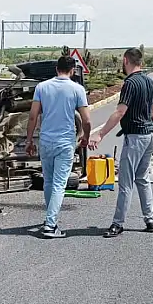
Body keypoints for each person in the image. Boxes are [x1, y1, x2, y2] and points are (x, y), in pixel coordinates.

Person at [88, 48, 153, 238]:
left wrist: (100, 134)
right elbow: (152, 108)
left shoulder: (130, 83)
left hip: (135, 137)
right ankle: (149, 219)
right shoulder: (149, 82)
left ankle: (118, 223)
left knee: (126, 183)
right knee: (143, 179)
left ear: (126, 60)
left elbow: (120, 112)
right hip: (150, 134)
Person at [24, 55, 91, 239]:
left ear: (56, 69)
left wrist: (29, 140)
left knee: (48, 181)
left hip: (45, 141)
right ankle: (50, 225)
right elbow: (86, 119)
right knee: (59, 185)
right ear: (72, 71)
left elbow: (32, 116)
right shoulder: (77, 89)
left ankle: (49, 218)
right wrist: (85, 137)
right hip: (65, 142)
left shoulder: (42, 87)